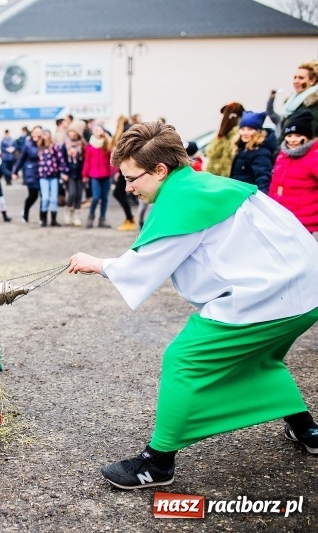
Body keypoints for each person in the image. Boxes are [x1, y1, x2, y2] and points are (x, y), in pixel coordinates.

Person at [68, 121, 318, 490]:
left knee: (184, 359)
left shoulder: (181, 201)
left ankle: (157, 463)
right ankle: (306, 429)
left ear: (160, 170)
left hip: (267, 298)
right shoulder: (208, 183)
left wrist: (97, 264)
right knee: (259, 358)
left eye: (132, 178)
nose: (128, 186)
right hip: (306, 290)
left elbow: (145, 263)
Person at [269, 110, 318, 234]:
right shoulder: (283, 155)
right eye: (289, 136)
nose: (293, 140)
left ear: (307, 137)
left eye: (298, 135)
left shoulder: (313, 157)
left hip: (304, 221)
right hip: (282, 216)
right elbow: (274, 184)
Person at [228, 111, 275, 195]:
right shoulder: (241, 149)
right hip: (238, 195)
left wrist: (262, 199)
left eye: (250, 129)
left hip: (249, 197)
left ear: (258, 131)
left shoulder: (261, 153)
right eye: (242, 129)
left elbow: (263, 179)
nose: (245, 133)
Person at [277, 61, 318, 144]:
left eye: (301, 78)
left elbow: (309, 137)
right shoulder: (292, 104)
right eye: (295, 77)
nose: (296, 81)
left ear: (312, 80)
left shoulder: (313, 106)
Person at [82, 124, 113, 228]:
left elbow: (112, 157)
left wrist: (115, 171)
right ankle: (91, 217)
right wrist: (85, 174)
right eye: (95, 130)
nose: (97, 131)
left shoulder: (106, 144)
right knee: (95, 197)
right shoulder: (89, 146)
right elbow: (87, 161)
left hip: (106, 174)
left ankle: (102, 219)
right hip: (94, 175)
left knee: (104, 198)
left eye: (99, 129)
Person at [110, 116, 138, 232]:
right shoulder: (128, 128)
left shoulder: (125, 129)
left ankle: (130, 218)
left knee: (119, 193)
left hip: (126, 166)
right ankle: (129, 218)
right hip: (125, 166)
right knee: (118, 193)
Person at [37, 129, 68, 227]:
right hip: (43, 177)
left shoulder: (54, 147)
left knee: (54, 198)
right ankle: (43, 219)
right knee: (45, 198)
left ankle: (54, 219)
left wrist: (64, 171)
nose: (46, 136)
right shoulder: (39, 148)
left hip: (53, 176)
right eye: (44, 134)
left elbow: (61, 160)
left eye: (47, 134)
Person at [11, 125, 42, 224]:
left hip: (43, 173)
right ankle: (25, 212)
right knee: (33, 196)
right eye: (34, 132)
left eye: (38, 132)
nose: (36, 134)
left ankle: (42, 217)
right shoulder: (28, 144)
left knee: (44, 197)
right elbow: (21, 159)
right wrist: (15, 171)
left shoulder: (45, 144)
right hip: (31, 173)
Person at [205, 102, 245, 177]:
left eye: (226, 115)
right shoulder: (220, 135)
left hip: (228, 178)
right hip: (214, 176)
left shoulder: (238, 136)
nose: (224, 119)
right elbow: (212, 154)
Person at [63, 119, 86, 227]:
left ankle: (76, 215)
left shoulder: (83, 144)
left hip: (80, 173)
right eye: (71, 131)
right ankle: (68, 211)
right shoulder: (65, 145)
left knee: (79, 195)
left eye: (74, 131)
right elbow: (62, 159)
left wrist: (86, 173)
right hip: (69, 173)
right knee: (71, 193)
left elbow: (85, 159)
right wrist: (64, 172)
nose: (72, 134)